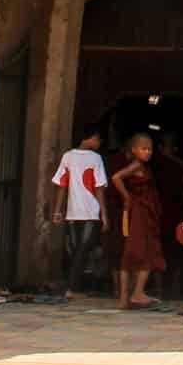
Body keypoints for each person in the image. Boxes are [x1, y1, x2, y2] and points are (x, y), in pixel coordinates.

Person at [110, 131, 167, 309]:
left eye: (150, 149)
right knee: (144, 252)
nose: (148, 152)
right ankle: (137, 293)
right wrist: (126, 196)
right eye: (144, 149)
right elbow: (116, 178)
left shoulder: (141, 165)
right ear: (134, 150)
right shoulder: (136, 165)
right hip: (140, 211)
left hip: (141, 210)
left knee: (130, 253)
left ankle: (124, 298)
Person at [51, 126, 109, 299]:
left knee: (77, 250)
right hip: (91, 211)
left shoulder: (67, 156)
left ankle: (75, 286)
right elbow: (99, 188)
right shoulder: (96, 158)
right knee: (83, 250)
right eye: (98, 139)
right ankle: (72, 288)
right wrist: (104, 214)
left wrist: (57, 210)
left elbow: (61, 184)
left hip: (72, 212)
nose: (99, 143)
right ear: (90, 138)